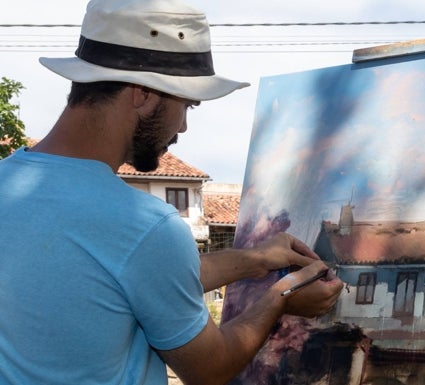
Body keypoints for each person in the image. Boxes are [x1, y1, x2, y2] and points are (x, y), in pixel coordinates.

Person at [0, 0, 344, 384]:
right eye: (187, 105)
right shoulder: (142, 226)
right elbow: (209, 368)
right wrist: (280, 298)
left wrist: (255, 259)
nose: (182, 127)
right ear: (144, 94)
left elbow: (133, 278)